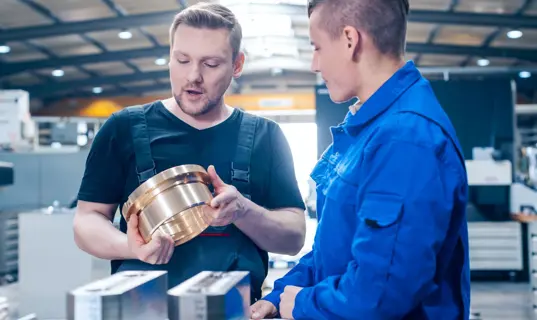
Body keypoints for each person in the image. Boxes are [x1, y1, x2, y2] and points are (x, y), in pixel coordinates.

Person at [73, 2, 306, 303]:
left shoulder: (265, 136)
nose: (193, 76)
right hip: (143, 308)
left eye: (210, 64)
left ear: (237, 65)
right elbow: (86, 221)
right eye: (182, 60)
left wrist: (243, 211)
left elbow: (294, 238)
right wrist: (132, 246)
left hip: (231, 309)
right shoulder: (123, 128)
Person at [251, 0, 470, 319]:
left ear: (350, 40)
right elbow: (334, 246)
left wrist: (302, 304)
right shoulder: (369, 130)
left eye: (318, 47)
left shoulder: (405, 139)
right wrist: (282, 292)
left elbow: (379, 295)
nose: (314, 64)